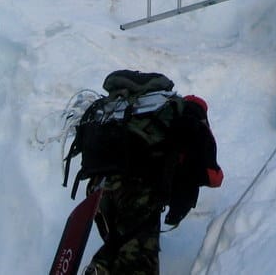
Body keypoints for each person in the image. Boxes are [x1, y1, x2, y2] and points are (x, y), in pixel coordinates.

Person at [83, 90, 223, 275]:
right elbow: (214, 177)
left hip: (100, 185)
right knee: (139, 260)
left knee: (118, 241)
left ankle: (101, 267)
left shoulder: (143, 115)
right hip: (138, 194)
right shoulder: (193, 125)